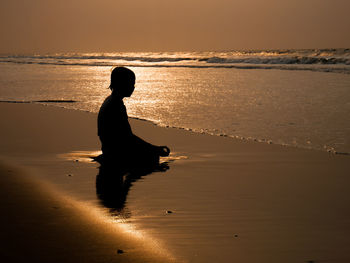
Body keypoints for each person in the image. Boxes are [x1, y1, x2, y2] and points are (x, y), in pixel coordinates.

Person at [97, 67, 170, 168]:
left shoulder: (111, 101)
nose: (133, 87)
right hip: (115, 151)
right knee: (153, 157)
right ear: (120, 83)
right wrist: (154, 149)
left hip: (109, 148)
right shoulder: (115, 105)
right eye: (131, 84)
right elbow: (128, 138)